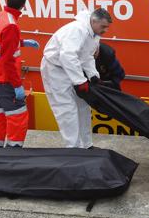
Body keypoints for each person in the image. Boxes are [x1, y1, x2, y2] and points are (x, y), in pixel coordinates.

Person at [40, 8, 112, 149]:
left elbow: (86, 56)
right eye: (103, 27)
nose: (105, 31)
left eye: (107, 27)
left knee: (83, 107)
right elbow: (67, 56)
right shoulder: (77, 30)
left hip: (71, 68)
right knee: (66, 109)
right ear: (93, 21)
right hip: (56, 70)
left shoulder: (93, 34)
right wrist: (80, 81)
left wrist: (93, 76)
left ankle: (86, 145)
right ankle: (73, 147)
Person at [0, 0, 39, 148]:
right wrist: (17, 86)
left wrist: (21, 42)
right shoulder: (11, 26)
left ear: (6, 0)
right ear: (23, 6)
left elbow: (1, 42)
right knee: (18, 114)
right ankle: (13, 150)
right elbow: (7, 60)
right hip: (4, 78)